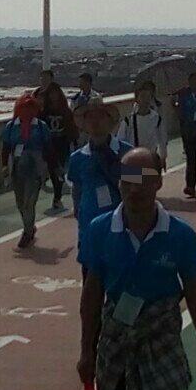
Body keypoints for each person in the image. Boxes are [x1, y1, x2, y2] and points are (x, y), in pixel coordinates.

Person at [77, 148, 196, 390]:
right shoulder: (99, 230)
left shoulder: (180, 235)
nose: (135, 189)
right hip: (115, 342)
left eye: (144, 179)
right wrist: (86, 350)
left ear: (158, 182)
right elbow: (92, 295)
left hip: (162, 341)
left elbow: (195, 294)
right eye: (128, 179)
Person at [69, 98, 133, 278]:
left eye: (100, 116)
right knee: (91, 281)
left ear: (110, 121)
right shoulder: (77, 158)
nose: (95, 121)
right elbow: (76, 190)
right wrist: (79, 213)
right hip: (89, 229)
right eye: (90, 117)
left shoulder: (127, 153)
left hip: (121, 228)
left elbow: (141, 182)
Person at [1, 94, 54, 249]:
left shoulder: (41, 126)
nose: (28, 111)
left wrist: (54, 167)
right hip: (17, 167)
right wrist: (4, 166)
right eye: (24, 108)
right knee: (20, 201)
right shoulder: (11, 126)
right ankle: (29, 225)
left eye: (31, 108)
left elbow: (49, 148)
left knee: (29, 202)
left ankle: (27, 231)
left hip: (34, 167)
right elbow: (6, 147)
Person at [37, 82, 78, 211]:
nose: (53, 96)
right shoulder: (44, 112)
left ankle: (58, 195)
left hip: (62, 144)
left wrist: (73, 138)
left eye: (55, 93)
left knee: (60, 169)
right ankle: (57, 196)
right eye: (51, 94)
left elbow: (71, 126)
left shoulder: (65, 111)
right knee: (53, 169)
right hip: (49, 144)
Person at [117, 81, 169, 171]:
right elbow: (120, 139)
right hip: (133, 158)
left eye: (148, 96)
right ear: (137, 99)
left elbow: (162, 139)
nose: (146, 99)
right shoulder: (129, 120)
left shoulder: (156, 119)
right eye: (142, 96)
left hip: (150, 158)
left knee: (149, 178)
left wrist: (163, 157)